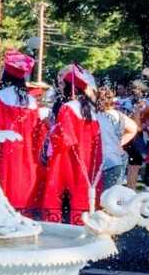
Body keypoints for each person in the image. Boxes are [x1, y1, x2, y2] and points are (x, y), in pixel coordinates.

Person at [0, 50, 46, 215]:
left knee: (4, 188)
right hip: (27, 153)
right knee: (24, 185)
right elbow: (38, 133)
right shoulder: (31, 102)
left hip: (5, 153)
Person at [36, 64, 102, 224]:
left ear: (69, 87)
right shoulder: (92, 111)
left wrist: (52, 131)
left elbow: (65, 139)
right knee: (82, 196)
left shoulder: (67, 108)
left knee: (61, 200)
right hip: (87, 161)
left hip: (67, 160)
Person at [96, 86, 138, 190]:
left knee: (103, 194)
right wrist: (119, 143)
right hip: (118, 157)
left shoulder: (99, 116)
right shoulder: (119, 115)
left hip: (104, 159)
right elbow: (133, 128)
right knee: (114, 194)